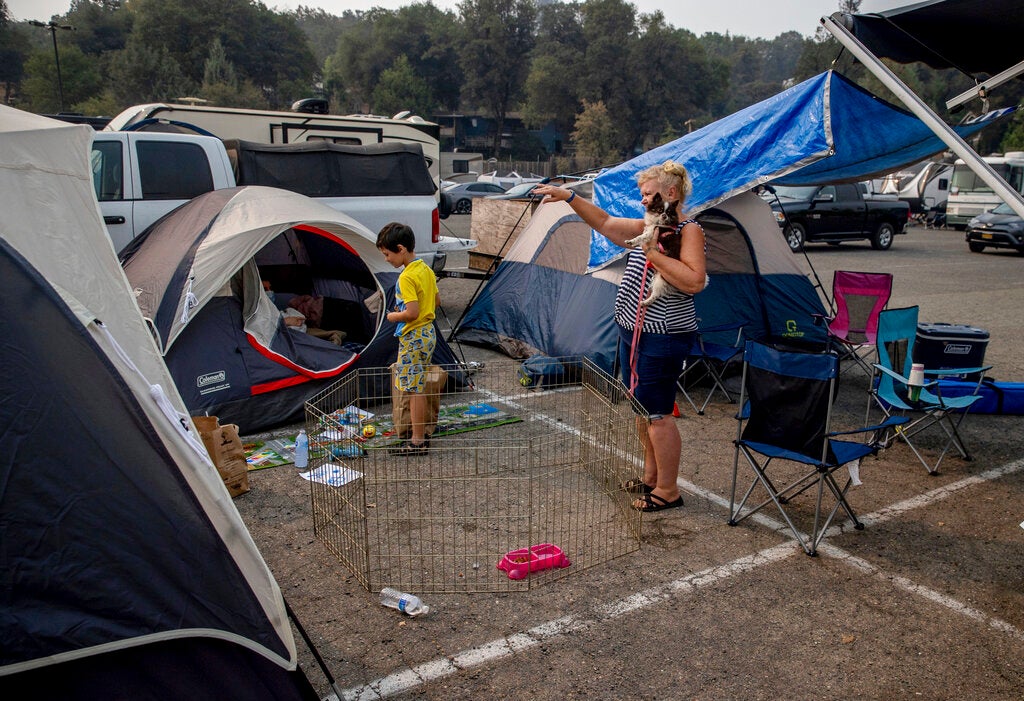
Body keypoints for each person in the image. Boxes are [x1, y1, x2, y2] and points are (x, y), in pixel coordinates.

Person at [534, 162, 707, 512]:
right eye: (642, 195)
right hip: (634, 332)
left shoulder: (689, 231)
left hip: (662, 335)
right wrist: (569, 196)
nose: (643, 201)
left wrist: (654, 254)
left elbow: (694, 282)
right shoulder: (649, 225)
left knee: (658, 413)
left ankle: (669, 491)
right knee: (642, 408)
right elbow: (605, 223)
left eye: (648, 194)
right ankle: (652, 476)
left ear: (670, 194)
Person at [377, 222, 440, 456]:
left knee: (414, 389)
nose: (386, 260)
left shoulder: (406, 277)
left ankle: (417, 441)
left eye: (387, 254)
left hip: (413, 336)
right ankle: (418, 436)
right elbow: (437, 302)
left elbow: (411, 313)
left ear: (400, 248)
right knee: (418, 385)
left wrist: (394, 315)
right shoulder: (425, 270)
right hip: (428, 333)